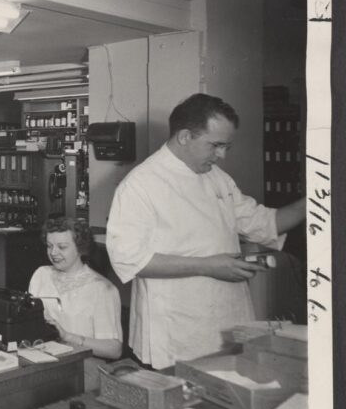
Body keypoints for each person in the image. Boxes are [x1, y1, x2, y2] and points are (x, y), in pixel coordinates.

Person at [106, 93, 306, 369]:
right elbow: (131, 259)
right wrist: (208, 266)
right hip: (177, 334)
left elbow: (264, 224)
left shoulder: (217, 178)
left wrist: (317, 199)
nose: (221, 155)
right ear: (185, 136)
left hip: (228, 323)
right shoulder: (140, 185)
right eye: (215, 145)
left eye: (226, 147)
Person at [28, 217, 122, 391]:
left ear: (80, 247)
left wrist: (68, 337)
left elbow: (114, 350)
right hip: (42, 362)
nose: (53, 252)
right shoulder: (41, 274)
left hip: (82, 371)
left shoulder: (102, 289)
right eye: (49, 246)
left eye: (62, 247)